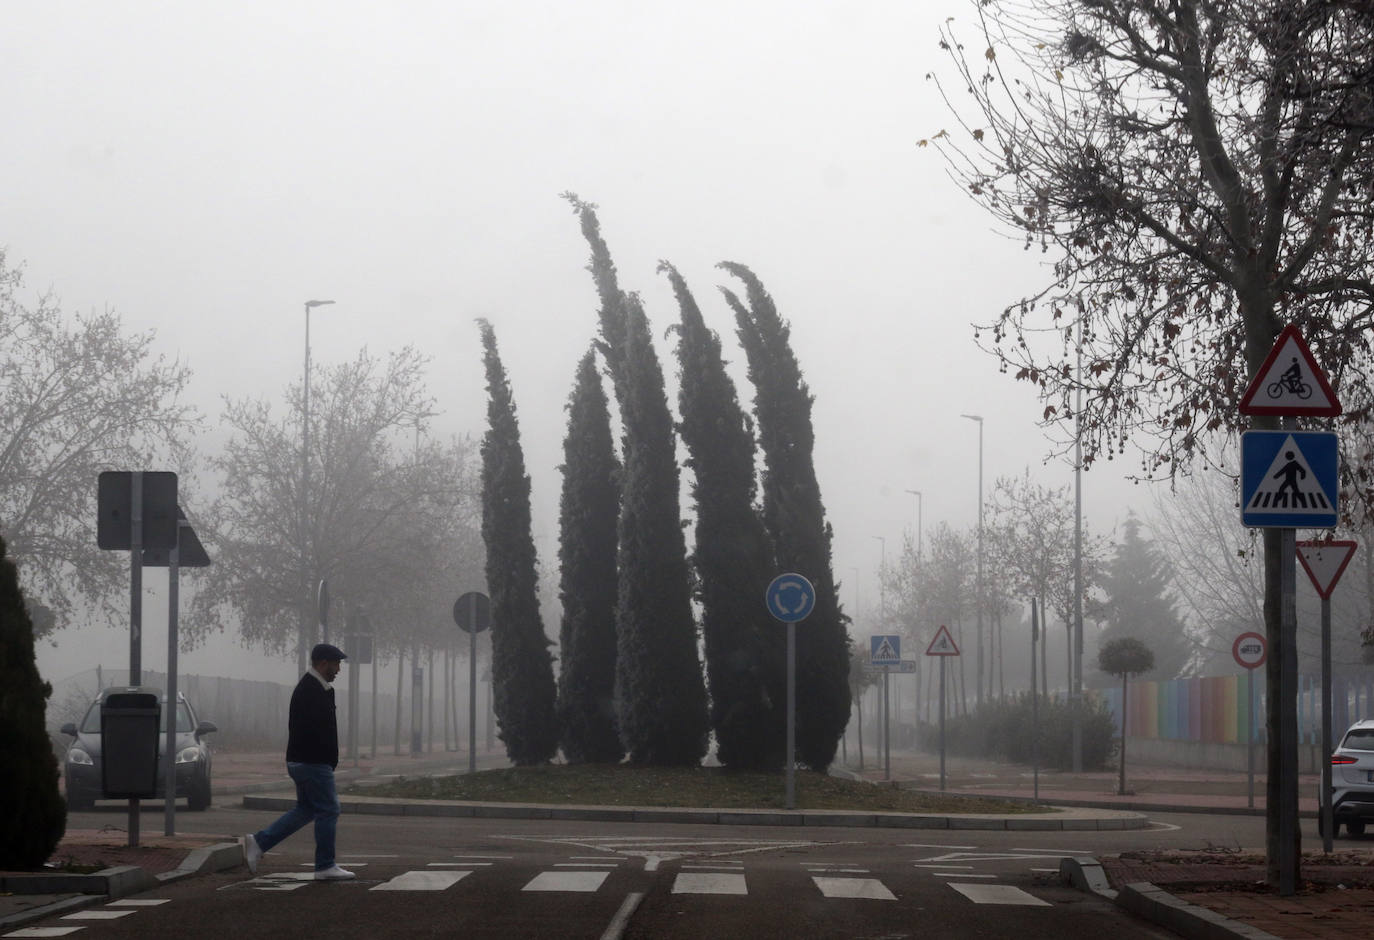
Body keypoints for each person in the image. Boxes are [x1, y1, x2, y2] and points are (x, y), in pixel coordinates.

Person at [243, 643, 354, 880]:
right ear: (323, 663)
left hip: (303, 760)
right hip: (312, 761)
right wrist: (327, 759)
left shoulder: (316, 687)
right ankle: (325, 865)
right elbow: (316, 730)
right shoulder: (311, 689)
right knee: (329, 809)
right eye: (336, 664)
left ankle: (259, 843)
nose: (338, 670)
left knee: (306, 809)